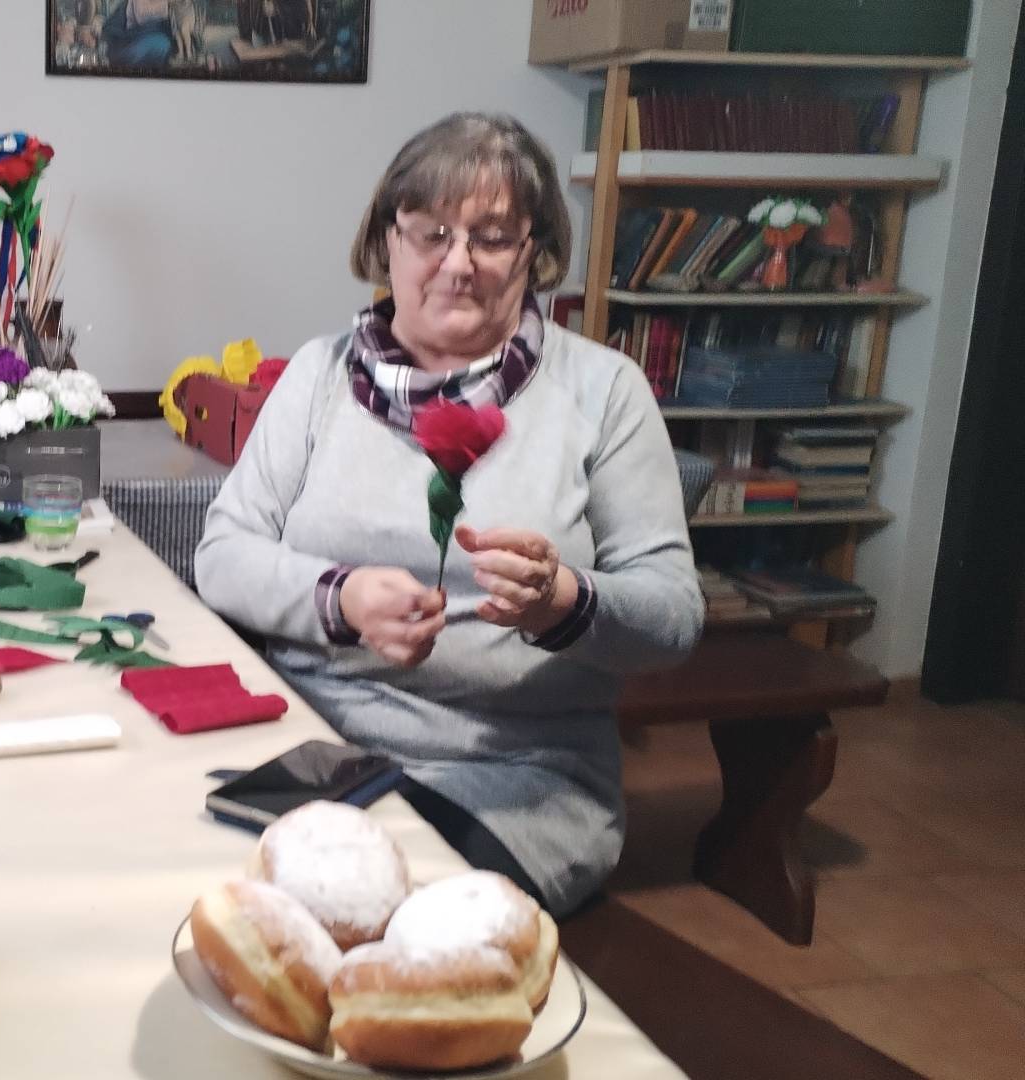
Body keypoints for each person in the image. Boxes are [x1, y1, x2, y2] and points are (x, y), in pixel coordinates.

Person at [194, 112, 703, 916]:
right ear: (386, 241)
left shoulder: (603, 392)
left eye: (492, 238)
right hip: (311, 748)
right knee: (210, 904)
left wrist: (565, 601)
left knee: (386, 925)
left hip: (514, 778)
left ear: (533, 252)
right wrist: (341, 599)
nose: (458, 263)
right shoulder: (319, 376)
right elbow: (223, 555)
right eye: (431, 233)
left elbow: (673, 616)